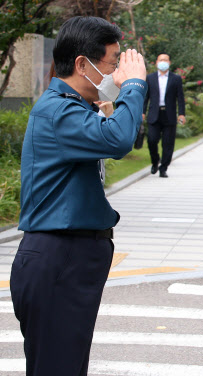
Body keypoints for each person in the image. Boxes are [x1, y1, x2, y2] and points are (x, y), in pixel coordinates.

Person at [10, 16, 146, 376]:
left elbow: (120, 134)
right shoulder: (59, 112)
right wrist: (133, 85)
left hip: (67, 256)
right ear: (83, 64)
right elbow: (117, 141)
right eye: (114, 63)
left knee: (64, 365)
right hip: (59, 256)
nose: (117, 72)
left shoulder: (74, 108)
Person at [143, 53, 186, 178]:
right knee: (152, 140)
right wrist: (142, 112)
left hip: (169, 115)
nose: (163, 62)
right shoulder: (150, 78)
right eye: (161, 60)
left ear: (169, 62)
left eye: (165, 60)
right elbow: (146, 97)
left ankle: (163, 168)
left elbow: (180, 98)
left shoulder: (176, 79)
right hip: (154, 114)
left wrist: (181, 114)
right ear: (156, 62)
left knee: (168, 144)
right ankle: (155, 161)